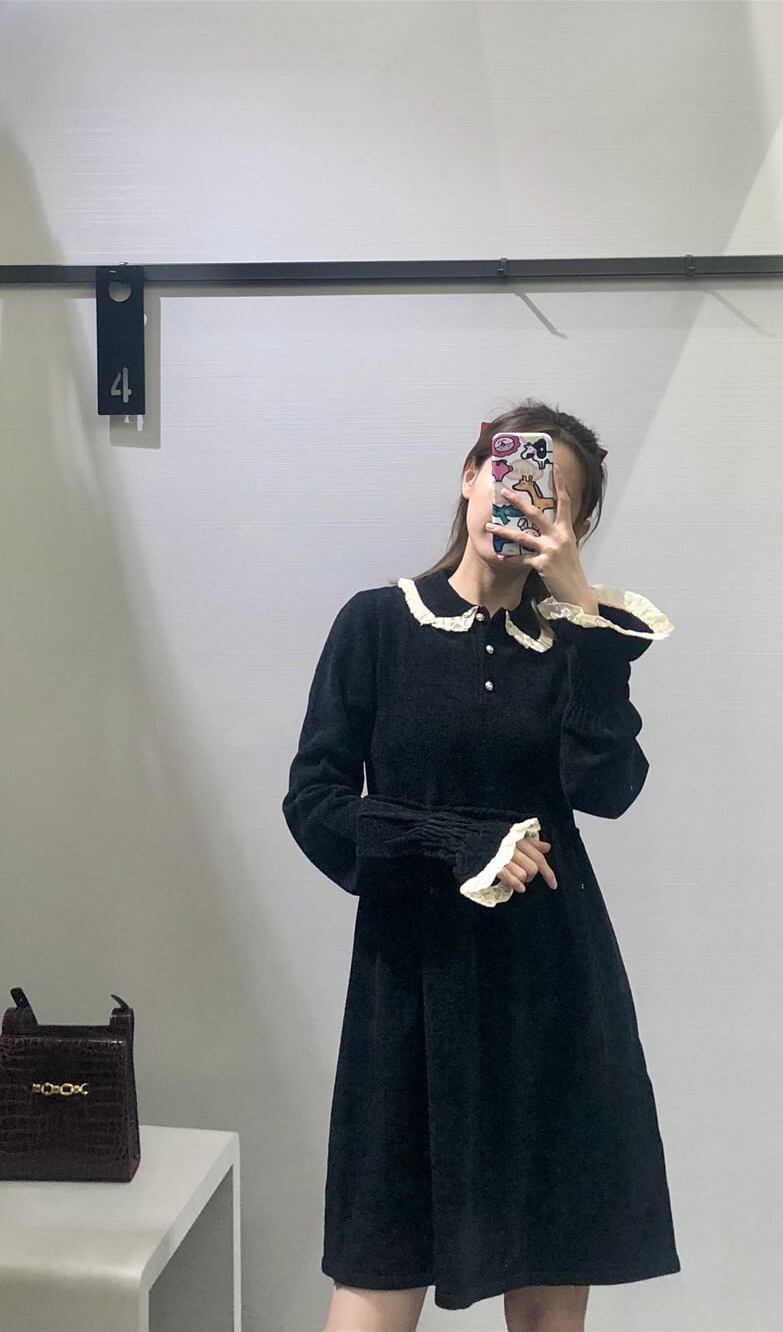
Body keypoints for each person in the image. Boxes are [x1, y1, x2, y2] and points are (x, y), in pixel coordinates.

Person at [282, 398, 680, 1332]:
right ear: (470, 476)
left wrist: (586, 615)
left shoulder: (573, 647)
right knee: (377, 1274)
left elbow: (608, 786)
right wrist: (453, 842)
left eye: (552, 498)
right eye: (509, 473)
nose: (522, 500)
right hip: (410, 994)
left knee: (548, 1294)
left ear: (572, 525)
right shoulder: (377, 625)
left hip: (551, 995)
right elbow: (315, 802)